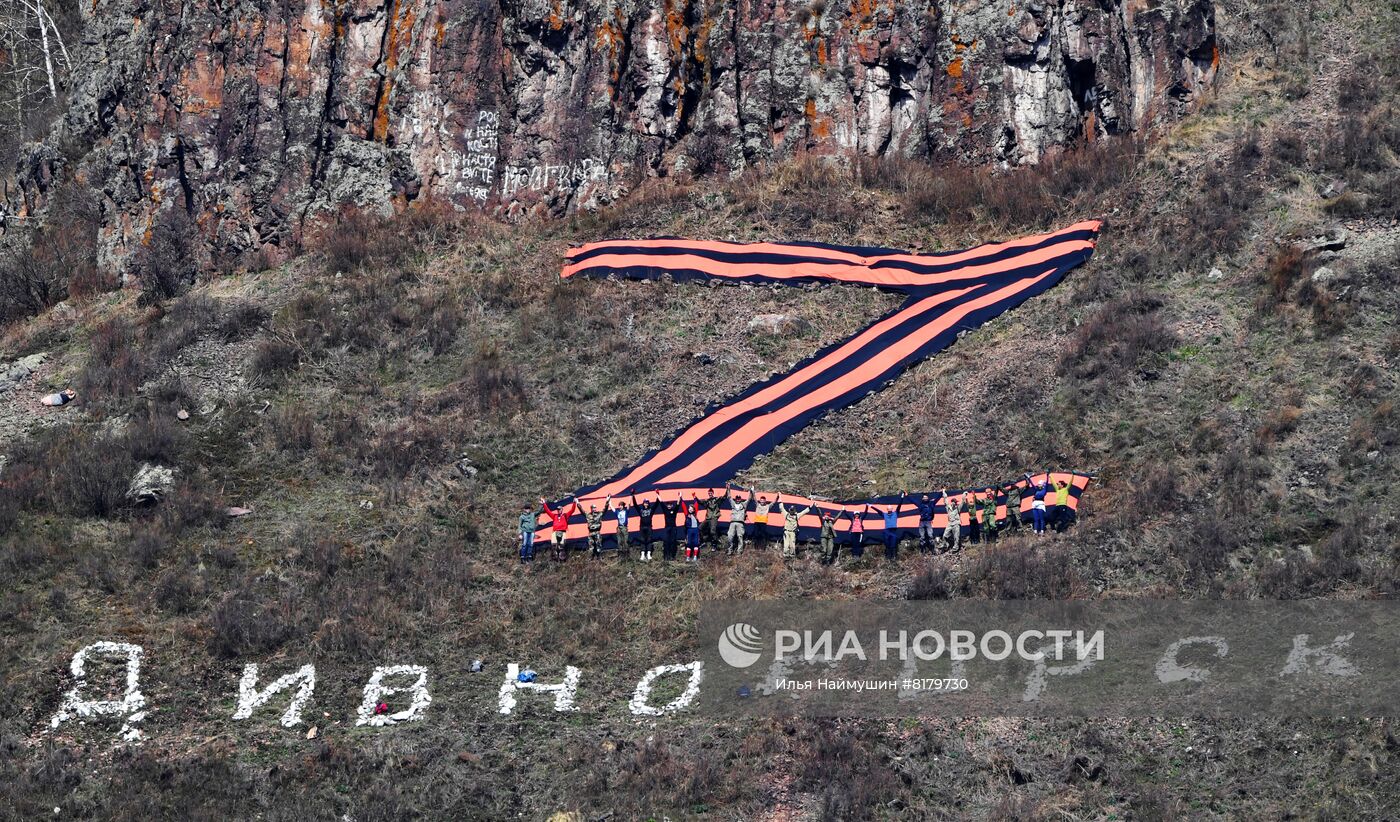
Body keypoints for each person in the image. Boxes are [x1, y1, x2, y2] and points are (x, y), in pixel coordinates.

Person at [539, 497, 577, 561]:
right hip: (555, 531)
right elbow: (548, 511)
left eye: (559, 509)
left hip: (562, 531)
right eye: (557, 509)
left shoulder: (565, 515)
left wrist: (574, 502)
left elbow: (572, 510)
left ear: (562, 509)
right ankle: (555, 558)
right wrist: (544, 503)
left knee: (562, 545)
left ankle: (562, 558)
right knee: (554, 545)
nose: (558, 510)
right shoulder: (554, 516)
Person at [871, 492, 906, 561]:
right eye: (888, 508)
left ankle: (894, 557)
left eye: (890, 508)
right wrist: (871, 506)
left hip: (893, 530)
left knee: (893, 544)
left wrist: (902, 497)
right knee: (887, 544)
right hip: (886, 531)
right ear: (887, 509)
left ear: (892, 509)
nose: (889, 509)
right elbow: (878, 511)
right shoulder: (884, 514)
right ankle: (888, 557)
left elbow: (899, 505)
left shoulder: (895, 513)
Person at [777, 494, 812, 559]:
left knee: (792, 545)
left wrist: (810, 507)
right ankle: (785, 556)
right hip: (786, 532)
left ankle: (792, 557)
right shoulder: (786, 515)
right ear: (789, 510)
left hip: (793, 532)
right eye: (791, 510)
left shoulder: (797, 516)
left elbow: (804, 512)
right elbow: (781, 508)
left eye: (792, 510)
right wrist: (780, 498)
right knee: (786, 545)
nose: (791, 511)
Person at [631, 491, 657, 560]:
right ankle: (642, 554)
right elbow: (635, 505)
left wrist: (657, 494)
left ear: (648, 504)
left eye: (647, 503)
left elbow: (656, 504)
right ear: (643, 503)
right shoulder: (641, 510)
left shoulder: (651, 510)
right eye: (645, 503)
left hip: (649, 527)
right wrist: (633, 495)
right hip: (642, 527)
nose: (646, 504)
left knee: (649, 540)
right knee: (642, 540)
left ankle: (648, 554)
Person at [727, 485, 750, 555]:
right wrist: (728, 488)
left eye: (739, 498)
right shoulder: (733, 504)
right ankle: (730, 550)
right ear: (735, 499)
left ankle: (739, 552)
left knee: (740, 537)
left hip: (740, 523)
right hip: (732, 523)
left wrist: (751, 491)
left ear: (740, 499)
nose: (738, 499)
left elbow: (749, 499)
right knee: (729, 536)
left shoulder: (743, 505)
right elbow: (729, 497)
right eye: (737, 498)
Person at [940, 489, 962, 553]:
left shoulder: (958, 508)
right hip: (950, 523)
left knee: (956, 537)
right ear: (952, 502)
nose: (955, 503)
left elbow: (963, 501)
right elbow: (945, 499)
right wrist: (943, 492)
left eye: (956, 502)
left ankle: (955, 549)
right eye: (954, 502)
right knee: (945, 535)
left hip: (956, 523)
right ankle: (945, 546)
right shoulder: (948, 507)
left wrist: (964, 495)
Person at [682, 494, 702, 562]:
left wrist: (694, 497)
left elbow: (696, 504)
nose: (690, 509)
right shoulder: (687, 515)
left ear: (693, 509)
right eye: (689, 508)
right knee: (689, 543)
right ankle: (688, 557)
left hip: (696, 530)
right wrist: (681, 498)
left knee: (696, 543)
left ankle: (695, 557)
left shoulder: (695, 514)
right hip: (689, 530)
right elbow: (684, 506)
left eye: (692, 508)